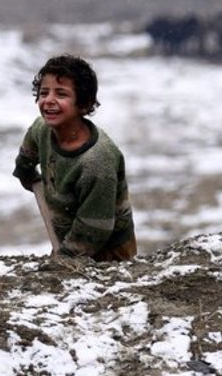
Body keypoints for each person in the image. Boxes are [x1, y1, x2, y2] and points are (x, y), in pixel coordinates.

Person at [13, 54, 137, 262]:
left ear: (84, 104)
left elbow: (94, 228)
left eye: (61, 94)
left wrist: (65, 259)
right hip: (69, 239)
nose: (49, 100)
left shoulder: (97, 162)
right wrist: (25, 171)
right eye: (44, 93)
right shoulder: (42, 129)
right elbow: (30, 147)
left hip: (109, 252)